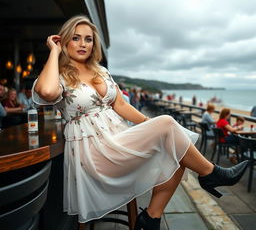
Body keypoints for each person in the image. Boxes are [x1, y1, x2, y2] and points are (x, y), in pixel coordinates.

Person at [32, 15, 248, 229]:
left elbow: (122, 106)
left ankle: (151, 219)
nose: (83, 44)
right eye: (76, 38)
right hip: (94, 152)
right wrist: (54, 52)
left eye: (88, 39)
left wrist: (152, 126)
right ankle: (210, 174)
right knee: (170, 132)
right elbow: (47, 92)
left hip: (118, 140)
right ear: (65, 40)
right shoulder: (58, 75)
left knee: (175, 149)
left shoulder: (101, 70)